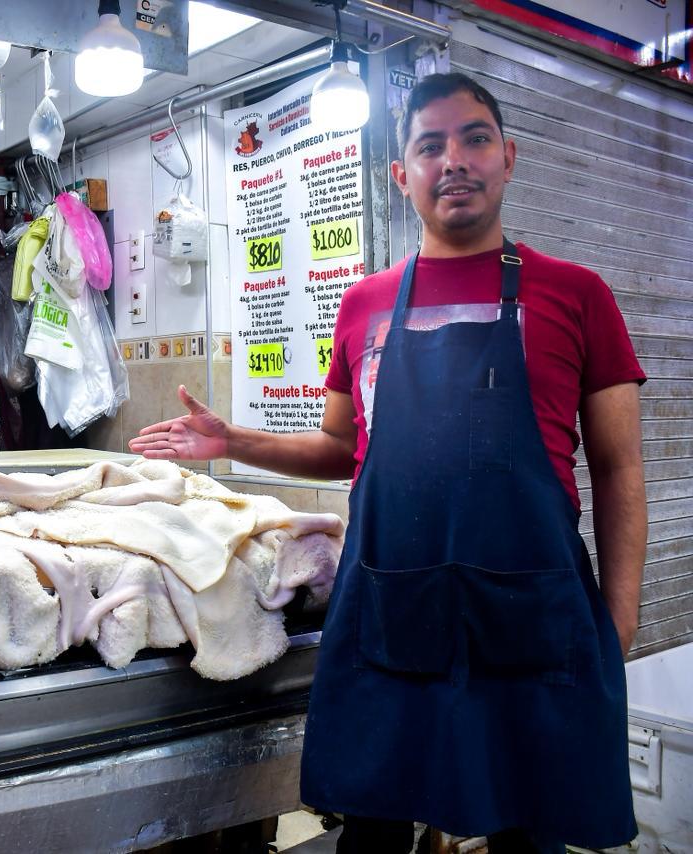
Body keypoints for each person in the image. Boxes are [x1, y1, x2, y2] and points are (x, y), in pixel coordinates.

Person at [129, 73, 646, 853]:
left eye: (474, 139)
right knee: (371, 833)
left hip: (529, 617)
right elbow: (342, 447)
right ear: (402, 175)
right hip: (391, 613)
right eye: (430, 146)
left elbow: (619, 468)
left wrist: (620, 616)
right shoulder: (364, 302)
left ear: (508, 156)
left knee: (527, 834)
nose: (454, 160)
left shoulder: (579, 295)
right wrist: (232, 441)